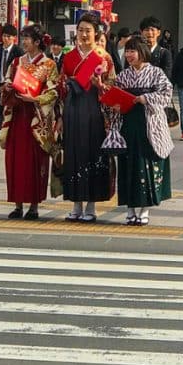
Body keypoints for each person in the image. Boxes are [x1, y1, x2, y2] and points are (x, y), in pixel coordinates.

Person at [111, 37, 173, 226]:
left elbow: (166, 93)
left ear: (142, 52)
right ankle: (130, 208)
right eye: (127, 51)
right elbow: (115, 95)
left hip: (150, 124)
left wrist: (145, 98)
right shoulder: (123, 76)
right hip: (128, 124)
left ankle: (145, 209)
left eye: (133, 51)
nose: (129, 55)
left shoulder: (156, 73)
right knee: (128, 165)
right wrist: (115, 104)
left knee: (146, 166)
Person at [59, 14, 115, 222]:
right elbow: (60, 84)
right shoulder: (69, 57)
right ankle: (75, 204)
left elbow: (113, 85)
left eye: (88, 31)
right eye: (81, 30)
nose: (83, 34)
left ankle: (91, 206)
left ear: (96, 33)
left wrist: (100, 85)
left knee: (92, 154)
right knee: (74, 154)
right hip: (73, 109)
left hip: (95, 111)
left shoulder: (103, 57)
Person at [0, 24, 59, 220]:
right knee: (16, 161)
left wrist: (36, 99)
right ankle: (17, 204)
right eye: (23, 38)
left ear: (37, 42)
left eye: (27, 38)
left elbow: (53, 91)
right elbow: (7, 81)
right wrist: (8, 87)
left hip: (36, 117)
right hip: (18, 115)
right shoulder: (17, 62)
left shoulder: (49, 64)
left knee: (35, 162)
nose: (24, 42)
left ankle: (33, 205)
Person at [139, 16, 173, 80]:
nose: (149, 32)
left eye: (152, 29)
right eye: (146, 30)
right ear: (141, 32)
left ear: (158, 32)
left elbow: (166, 75)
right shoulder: (137, 52)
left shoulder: (165, 53)